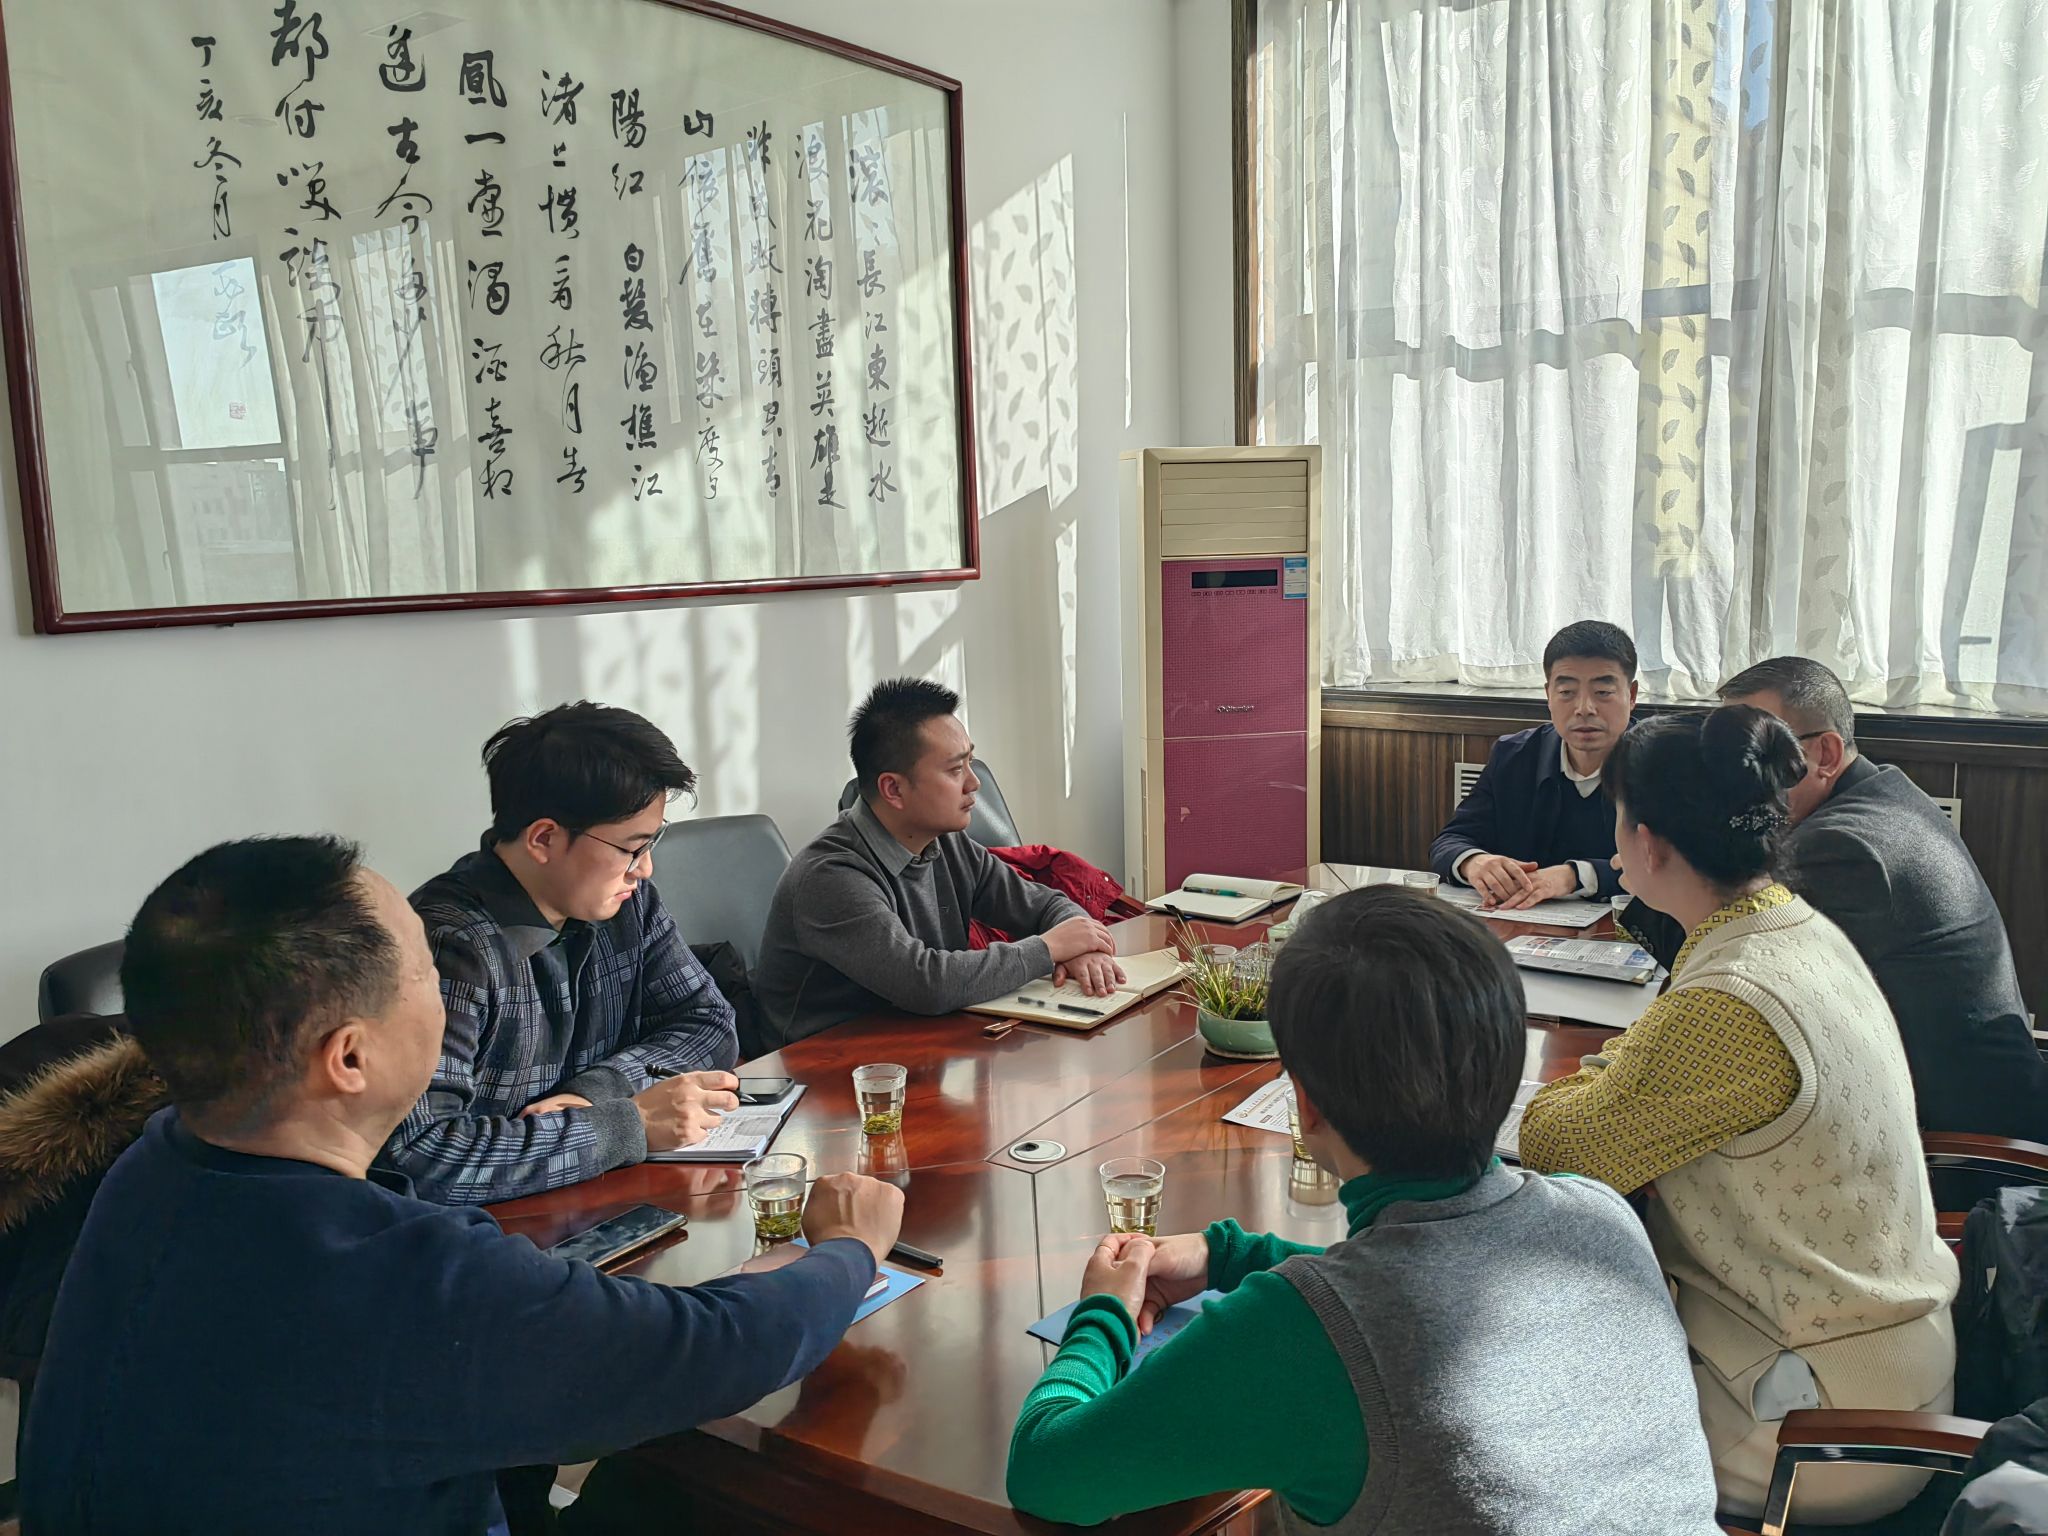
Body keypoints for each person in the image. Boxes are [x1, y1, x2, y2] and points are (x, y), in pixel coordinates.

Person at [20, 836, 903, 1535]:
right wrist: (846, 1250)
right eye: (425, 974)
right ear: (350, 1057)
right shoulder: (388, 1271)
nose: (446, 994)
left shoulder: (152, 1165)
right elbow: (714, 1350)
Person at [1006, 886, 1725, 1533]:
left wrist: (1103, 1314)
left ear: (1306, 1105)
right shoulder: (1603, 1217)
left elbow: (1048, 1475)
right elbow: (1427, 1288)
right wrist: (1235, 1256)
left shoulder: (1294, 1332)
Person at [1520, 706, 1959, 1524]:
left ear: (1648, 844)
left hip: (1815, 1422)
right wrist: (1628, 1063)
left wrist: (1606, 1070)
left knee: (1504, 1405)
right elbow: (1646, 1060)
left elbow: (1557, 1144)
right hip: (1887, 1364)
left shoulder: (1729, 1001)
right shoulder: (1795, 926)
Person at [386, 703, 741, 1205]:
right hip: (491, 1228)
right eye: (631, 848)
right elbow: (422, 1158)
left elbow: (709, 1022)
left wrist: (596, 1093)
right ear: (544, 839)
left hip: (599, 1198)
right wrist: (628, 1125)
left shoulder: (628, 904)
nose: (645, 869)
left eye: (651, 843)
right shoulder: (447, 947)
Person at [1716, 657, 2041, 1139]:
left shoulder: (1840, 845)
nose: (1728, 780)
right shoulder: (1883, 789)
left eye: (1751, 755)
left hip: (1959, 1146)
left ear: (1825, 754)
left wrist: (1659, 861)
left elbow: (1732, 967)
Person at [753, 678, 1123, 1049]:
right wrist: (1049, 949)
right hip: (827, 1066)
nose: (974, 783)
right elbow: (926, 983)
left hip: (919, 1045)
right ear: (893, 789)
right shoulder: (831, 876)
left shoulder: (945, 843)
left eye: (970, 762)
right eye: (955, 770)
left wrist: (1084, 948)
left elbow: (1043, 904)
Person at [1430, 620, 1638, 907]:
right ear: (1548, 695)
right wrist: (1475, 862)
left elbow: (1678, 865)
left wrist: (1576, 876)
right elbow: (1451, 840)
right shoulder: (1514, 756)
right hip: (1522, 923)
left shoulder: (1662, 761)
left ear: (1632, 695)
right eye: (1566, 692)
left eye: (1603, 692)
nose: (1584, 709)